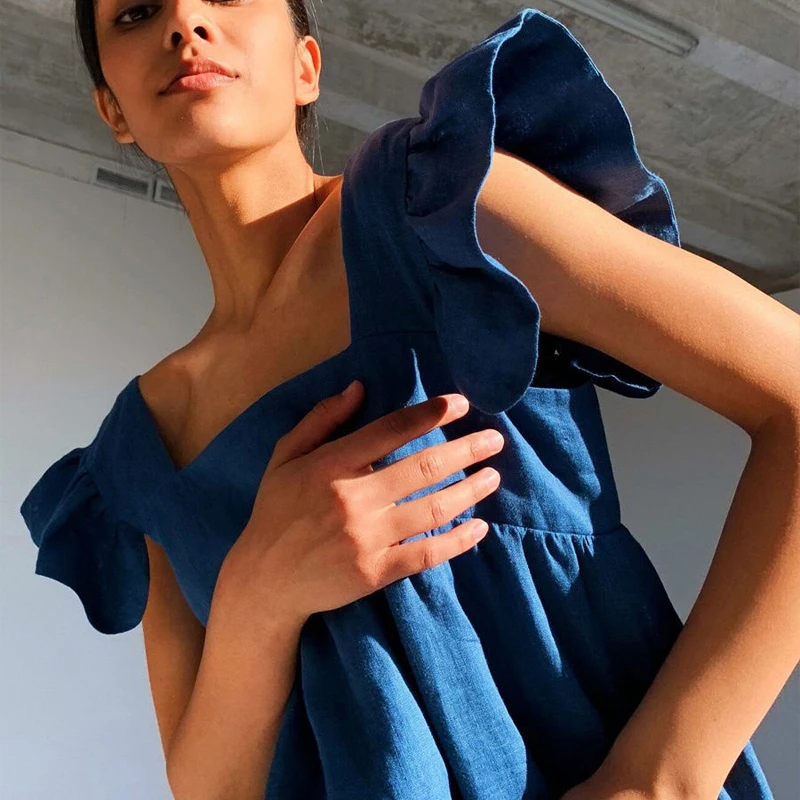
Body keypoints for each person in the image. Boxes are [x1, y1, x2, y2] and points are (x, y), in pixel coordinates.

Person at [19, 2, 796, 798]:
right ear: (113, 109)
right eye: (136, 12)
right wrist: (258, 596)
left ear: (305, 67)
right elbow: (208, 789)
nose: (185, 22)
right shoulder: (138, 449)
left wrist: (660, 778)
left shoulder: (438, 211)